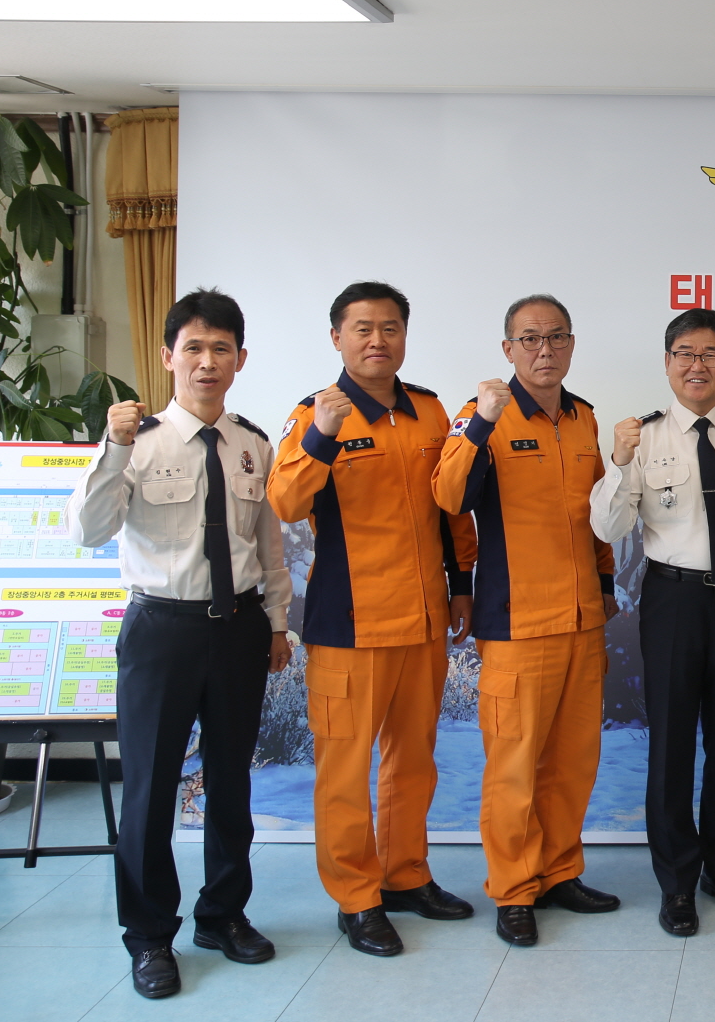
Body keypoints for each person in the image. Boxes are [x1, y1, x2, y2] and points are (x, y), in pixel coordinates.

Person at [64, 288, 293, 999]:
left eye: (221, 348)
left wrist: (277, 623)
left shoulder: (253, 444)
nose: (207, 361)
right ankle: (148, 937)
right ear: (168, 357)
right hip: (161, 630)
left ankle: (222, 916)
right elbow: (89, 530)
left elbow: (268, 545)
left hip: (239, 628)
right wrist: (112, 448)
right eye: (193, 347)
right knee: (150, 788)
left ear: (240, 359)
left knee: (230, 781)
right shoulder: (136, 441)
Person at [269, 281, 479, 957]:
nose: (377, 340)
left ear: (404, 336)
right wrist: (323, 436)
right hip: (350, 621)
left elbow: (450, 508)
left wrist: (462, 585)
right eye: (362, 328)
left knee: (412, 761)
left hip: (423, 618)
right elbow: (285, 501)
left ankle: (405, 874)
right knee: (343, 770)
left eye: (390, 327)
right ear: (337, 337)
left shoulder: (429, 410)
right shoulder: (314, 413)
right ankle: (356, 897)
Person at [590, 307, 715, 936]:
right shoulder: (641, 437)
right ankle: (677, 881)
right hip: (672, 601)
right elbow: (608, 528)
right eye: (685, 354)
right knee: (672, 744)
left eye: (710, 354)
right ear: (667, 363)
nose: (696, 365)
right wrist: (618, 461)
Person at [432, 294, 622, 947]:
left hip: (582, 620)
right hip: (516, 623)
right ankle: (514, 887)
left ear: (571, 344)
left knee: (572, 761)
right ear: (508, 348)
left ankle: (560, 871)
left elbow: (596, 514)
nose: (545, 350)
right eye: (530, 338)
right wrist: (481, 424)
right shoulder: (481, 414)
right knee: (513, 766)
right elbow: (448, 495)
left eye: (556, 336)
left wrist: (604, 586)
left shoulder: (582, 418)